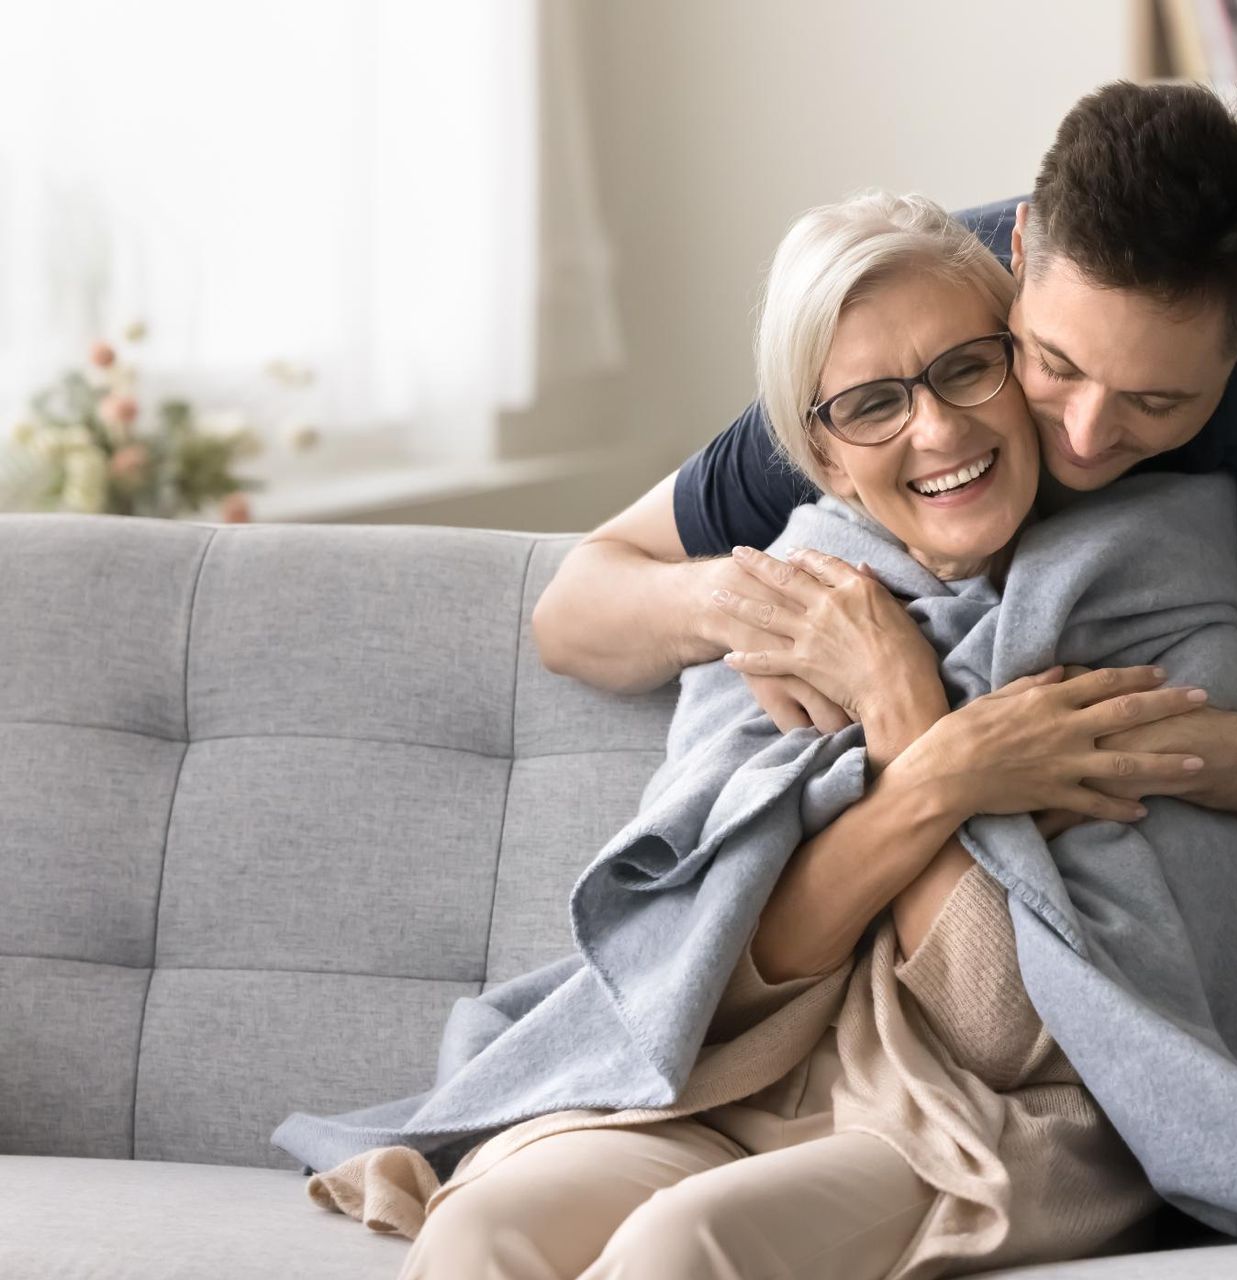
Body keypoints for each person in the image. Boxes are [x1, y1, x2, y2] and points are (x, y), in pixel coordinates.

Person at [395, 192, 1193, 1279]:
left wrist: (902, 716)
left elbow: (996, 1027)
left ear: (1022, 364)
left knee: (689, 1241)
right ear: (818, 454)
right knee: (481, 1226)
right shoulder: (787, 609)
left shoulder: (1136, 600)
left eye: (967, 367)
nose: (940, 428)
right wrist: (942, 765)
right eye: (872, 403)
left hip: (983, 1120)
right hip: (735, 1084)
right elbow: (703, 980)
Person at [532, 80, 1237, 854]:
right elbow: (574, 605)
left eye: (1155, 400)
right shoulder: (928, 325)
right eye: (1051, 365)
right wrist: (743, 606)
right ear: (1017, 256)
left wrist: (1141, 751)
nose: (1077, 438)